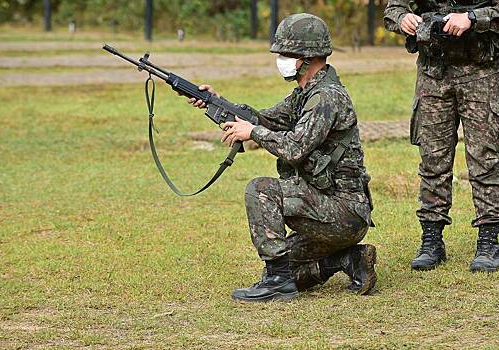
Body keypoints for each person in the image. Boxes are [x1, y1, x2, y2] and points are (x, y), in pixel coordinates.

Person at [186, 13, 377, 301]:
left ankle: (277, 283)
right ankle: (348, 260)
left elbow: (295, 147)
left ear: (307, 57)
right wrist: (216, 102)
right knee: (292, 269)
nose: (281, 60)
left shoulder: (326, 97)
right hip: (327, 209)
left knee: (261, 190)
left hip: (343, 212)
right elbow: (264, 119)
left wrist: (252, 133)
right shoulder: (304, 93)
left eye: (286, 53)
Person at [384, 0, 499, 272]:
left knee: (486, 159)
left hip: (481, 71)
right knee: (432, 159)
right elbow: (392, 9)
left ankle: (489, 242)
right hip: (433, 73)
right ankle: (432, 240)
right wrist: (404, 19)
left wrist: (472, 17)